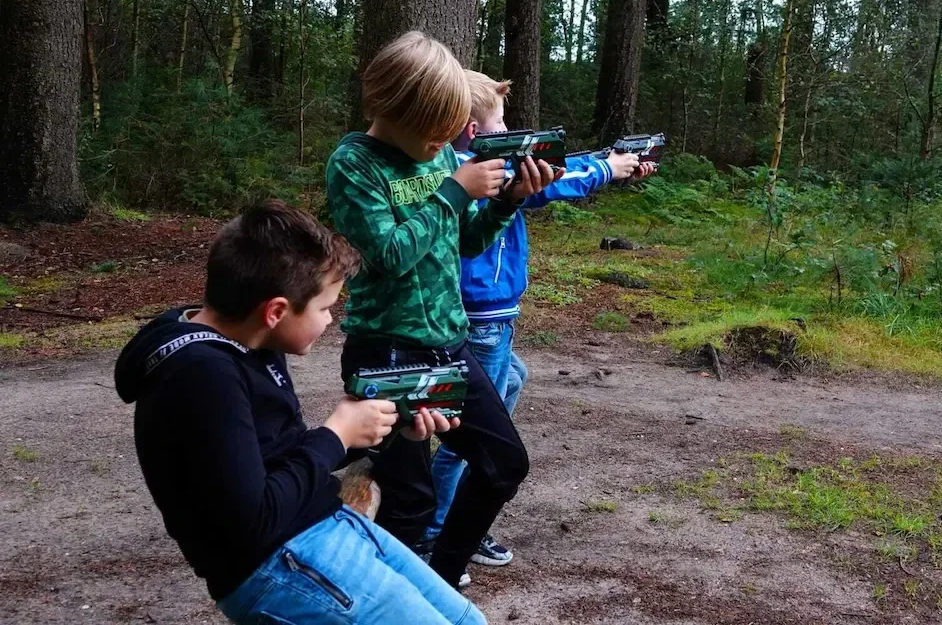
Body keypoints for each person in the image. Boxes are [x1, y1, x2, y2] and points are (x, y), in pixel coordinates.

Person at [115, 200, 480, 624]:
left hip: (319, 527)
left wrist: (385, 429)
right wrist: (336, 435)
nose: (330, 321)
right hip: (277, 564)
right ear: (276, 311)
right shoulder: (202, 375)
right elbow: (254, 519)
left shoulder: (249, 343)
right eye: (325, 308)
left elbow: (279, 458)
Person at [325, 31, 560, 589]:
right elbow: (388, 254)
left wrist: (508, 202)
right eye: (432, 132)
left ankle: (441, 579)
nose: (442, 143)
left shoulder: (443, 156)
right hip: (387, 350)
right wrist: (454, 189)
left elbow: (465, 241)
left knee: (504, 464)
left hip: (448, 345)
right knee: (407, 503)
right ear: (393, 111)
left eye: (446, 132)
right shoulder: (355, 164)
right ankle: (382, 596)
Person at [420, 70, 655, 566]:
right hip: (483, 317)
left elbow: (554, 167)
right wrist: (606, 171)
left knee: (509, 385)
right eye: (499, 122)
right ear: (469, 129)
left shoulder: (475, 164)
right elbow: (552, 181)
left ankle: (445, 517)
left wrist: (614, 161)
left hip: (489, 317)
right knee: (476, 436)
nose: (508, 129)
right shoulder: (473, 171)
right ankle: (440, 530)